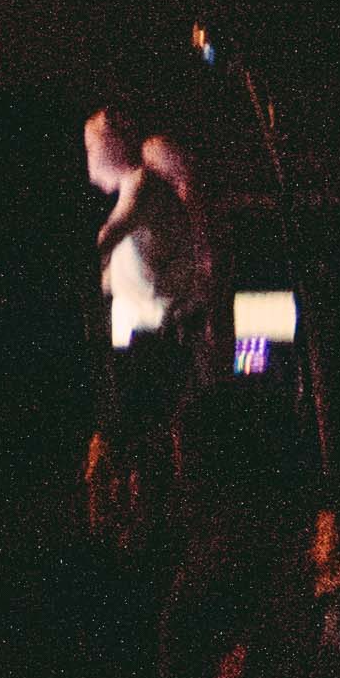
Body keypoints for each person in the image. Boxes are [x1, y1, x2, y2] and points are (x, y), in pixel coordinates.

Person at [85, 104, 215, 448]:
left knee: (147, 432)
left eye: (91, 148)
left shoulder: (141, 185)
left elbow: (110, 234)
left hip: (157, 336)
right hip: (143, 335)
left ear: (109, 145)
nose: (89, 159)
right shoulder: (136, 188)